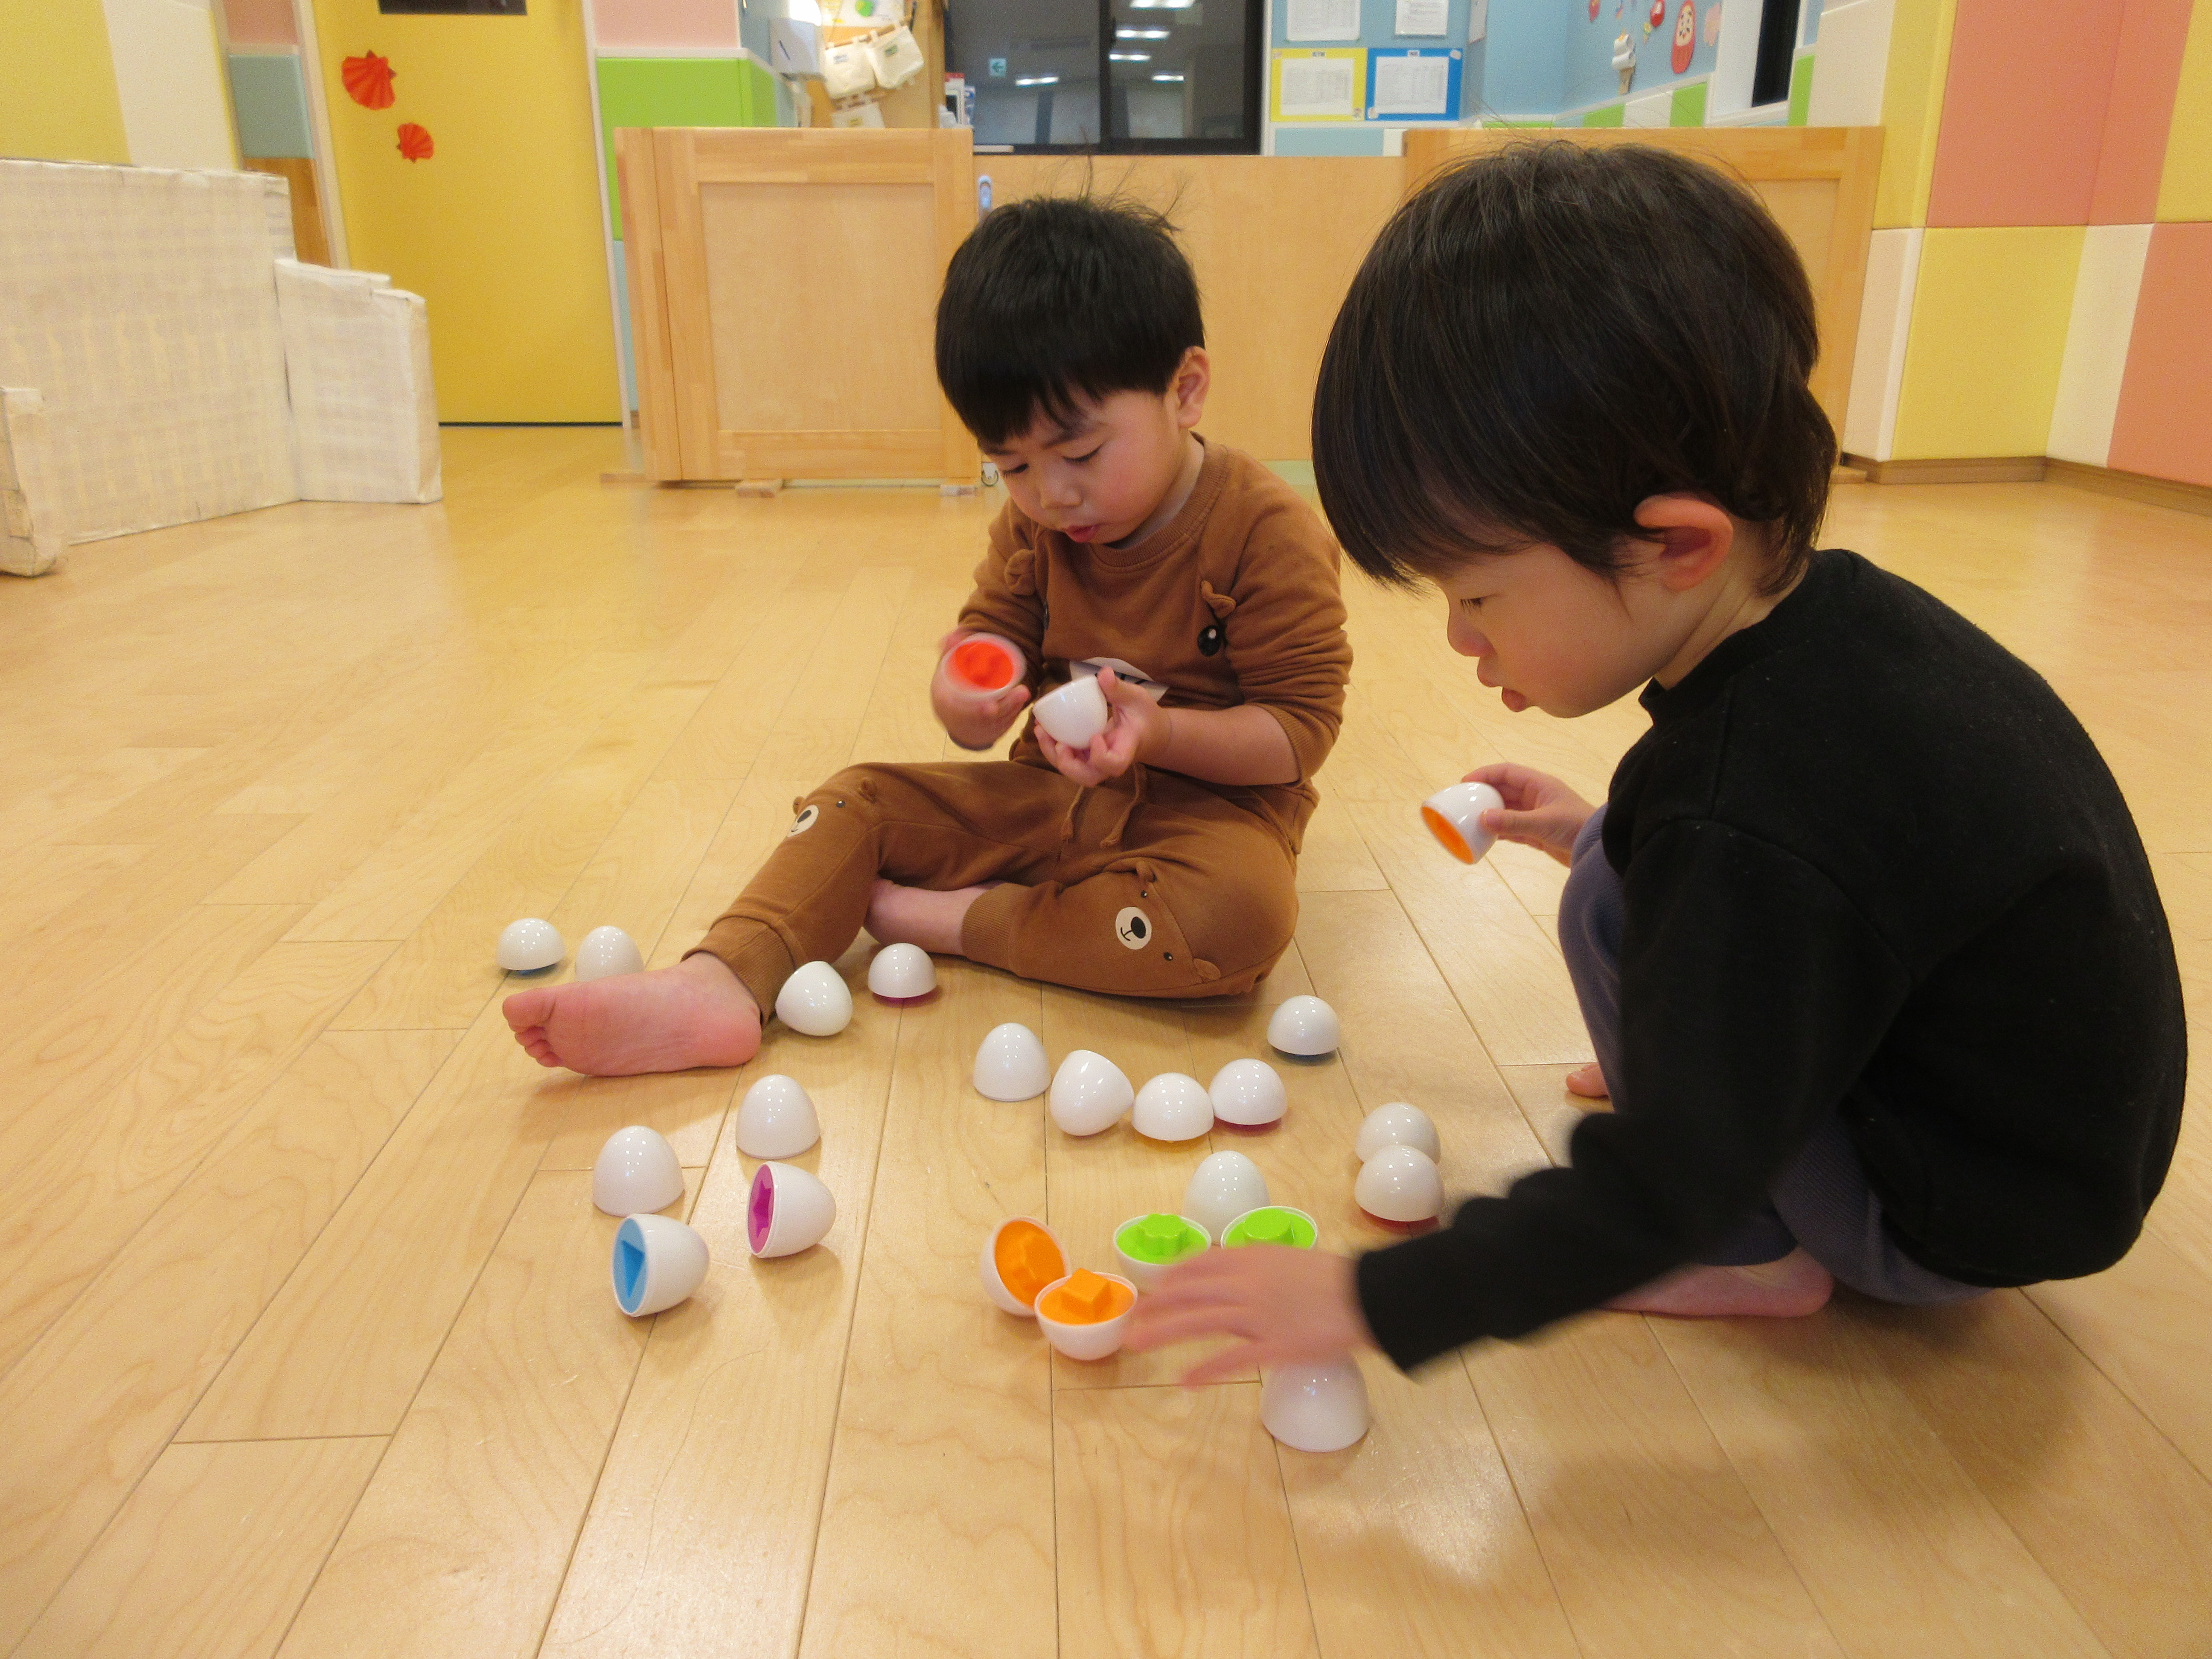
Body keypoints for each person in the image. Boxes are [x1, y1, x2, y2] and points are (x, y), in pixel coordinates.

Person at [1126, 143, 2185, 1381]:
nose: (1462, 639)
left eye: (1478, 594)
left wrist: (1374, 1298)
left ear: (1678, 544)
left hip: (1952, 1217)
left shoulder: (1747, 807)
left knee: (1616, 897)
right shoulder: (1842, 636)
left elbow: (1662, 1178)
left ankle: (1760, 1251)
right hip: (2037, 1148)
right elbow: (1855, 875)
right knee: (1622, 861)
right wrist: (1613, 839)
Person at [505, 195, 1351, 1076]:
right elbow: (993, 640)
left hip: (1208, 824)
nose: (1051, 495)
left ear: (1185, 389)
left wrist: (1162, 733)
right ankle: (719, 981)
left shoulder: (1268, 531)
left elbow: (1299, 734)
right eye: (1011, 465)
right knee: (854, 801)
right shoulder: (1038, 527)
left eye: (1080, 454)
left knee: (1239, 920)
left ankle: (961, 919)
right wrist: (967, 695)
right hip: (1048, 800)